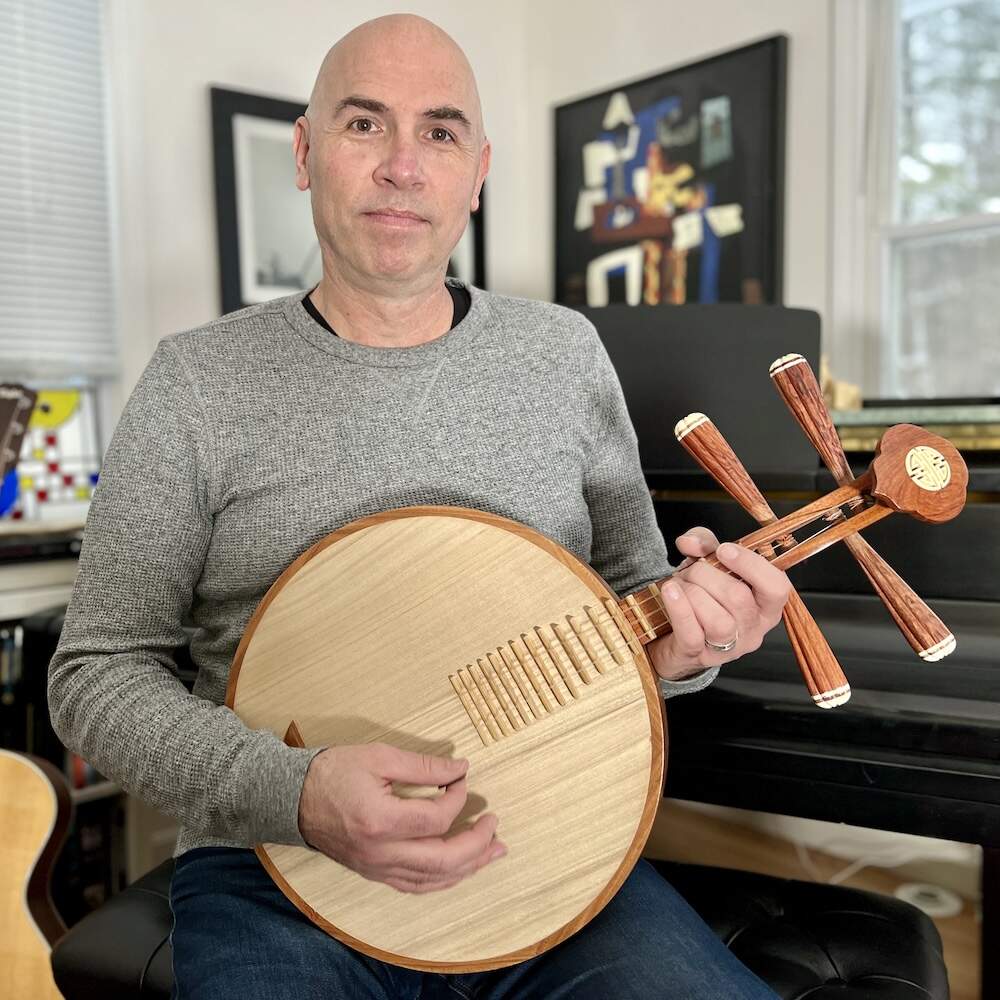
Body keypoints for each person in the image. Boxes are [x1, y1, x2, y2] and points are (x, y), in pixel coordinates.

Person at [49, 13, 790, 999]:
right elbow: (97, 674)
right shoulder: (195, 382)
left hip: (550, 855)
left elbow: (632, 596)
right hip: (273, 872)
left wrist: (685, 645)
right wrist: (298, 792)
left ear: (477, 171)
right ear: (307, 154)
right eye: (365, 125)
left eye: (439, 132)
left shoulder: (563, 355)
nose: (404, 166)